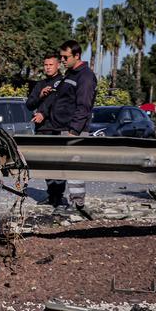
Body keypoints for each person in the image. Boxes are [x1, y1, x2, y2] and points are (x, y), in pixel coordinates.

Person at [32, 40, 97, 216]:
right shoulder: (69, 74)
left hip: (72, 129)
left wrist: (73, 131)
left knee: (73, 167)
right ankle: (60, 200)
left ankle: (78, 205)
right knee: (60, 167)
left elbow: (84, 106)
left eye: (65, 57)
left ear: (77, 55)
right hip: (59, 128)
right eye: (61, 57)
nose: (63, 60)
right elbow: (56, 99)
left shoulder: (85, 76)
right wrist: (44, 113)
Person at [26, 52, 66, 206]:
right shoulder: (40, 84)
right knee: (46, 163)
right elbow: (29, 104)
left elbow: (60, 105)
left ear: (58, 65)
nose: (48, 68)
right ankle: (51, 195)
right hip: (42, 129)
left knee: (58, 163)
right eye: (46, 65)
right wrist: (40, 96)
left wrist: (43, 113)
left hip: (57, 128)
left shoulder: (62, 83)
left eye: (51, 65)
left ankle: (58, 196)